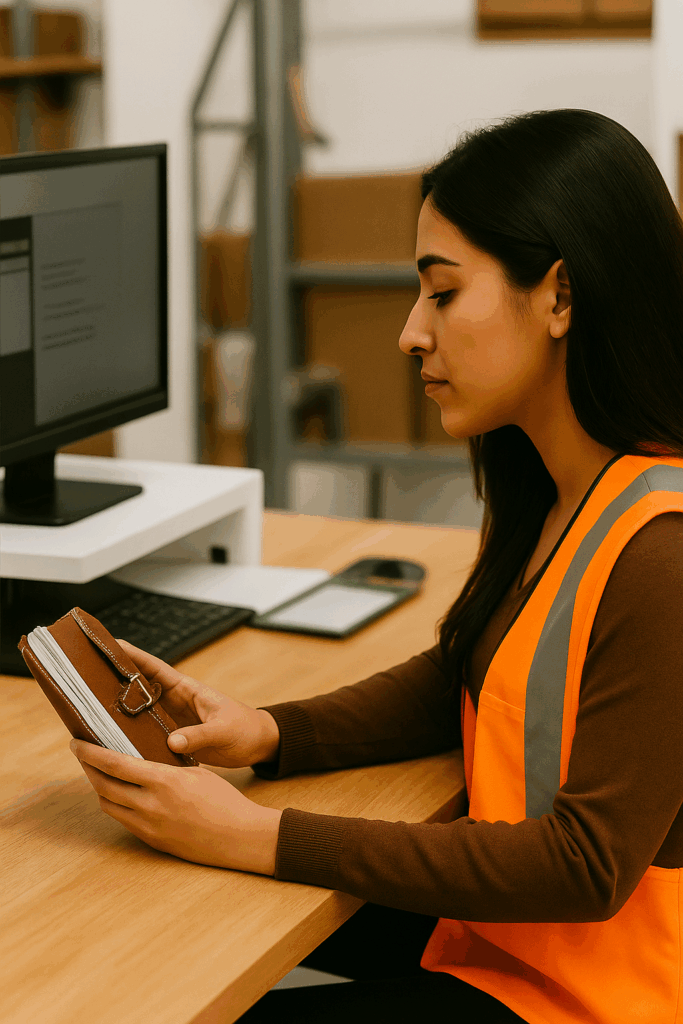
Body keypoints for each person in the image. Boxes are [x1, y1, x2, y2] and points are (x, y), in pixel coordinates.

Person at [70, 108, 683, 1024]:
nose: (409, 332)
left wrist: (260, 834)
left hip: (590, 994)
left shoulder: (661, 548)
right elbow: (461, 676)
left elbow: (584, 866)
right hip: (508, 942)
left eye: (441, 293)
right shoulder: (558, 489)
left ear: (559, 296)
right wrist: (266, 732)